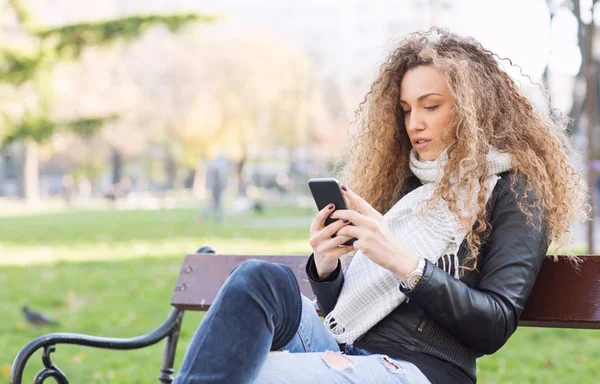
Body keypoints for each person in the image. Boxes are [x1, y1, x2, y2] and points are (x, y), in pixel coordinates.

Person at [173, 29, 587, 384]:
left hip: (419, 370)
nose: (414, 123)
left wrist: (404, 262)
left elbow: (495, 323)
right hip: (349, 351)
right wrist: (327, 266)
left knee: (250, 373)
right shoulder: (405, 185)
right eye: (406, 110)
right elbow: (347, 311)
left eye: (431, 106)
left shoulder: (514, 190)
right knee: (259, 279)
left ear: (474, 108)